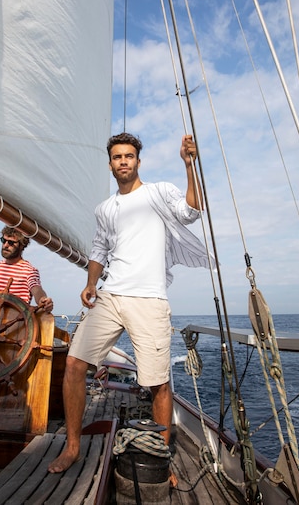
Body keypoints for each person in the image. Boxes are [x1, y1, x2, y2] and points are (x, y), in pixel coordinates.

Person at [48, 133, 211, 473]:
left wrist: (189, 164)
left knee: (157, 382)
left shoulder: (159, 193)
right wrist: (91, 283)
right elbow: (98, 250)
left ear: (138, 161)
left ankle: (160, 458)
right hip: (111, 295)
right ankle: (73, 447)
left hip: (149, 299)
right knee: (75, 366)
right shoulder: (105, 209)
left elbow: (192, 211)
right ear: (110, 164)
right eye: (117, 156)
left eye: (129, 156)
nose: (123, 161)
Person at [0, 226, 53, 312]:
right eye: (3, 241)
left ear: (22, 245)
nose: (5, 245)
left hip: (19, 322)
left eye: (11, 243)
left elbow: (36, 289)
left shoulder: (29, 270)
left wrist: (43, 300)